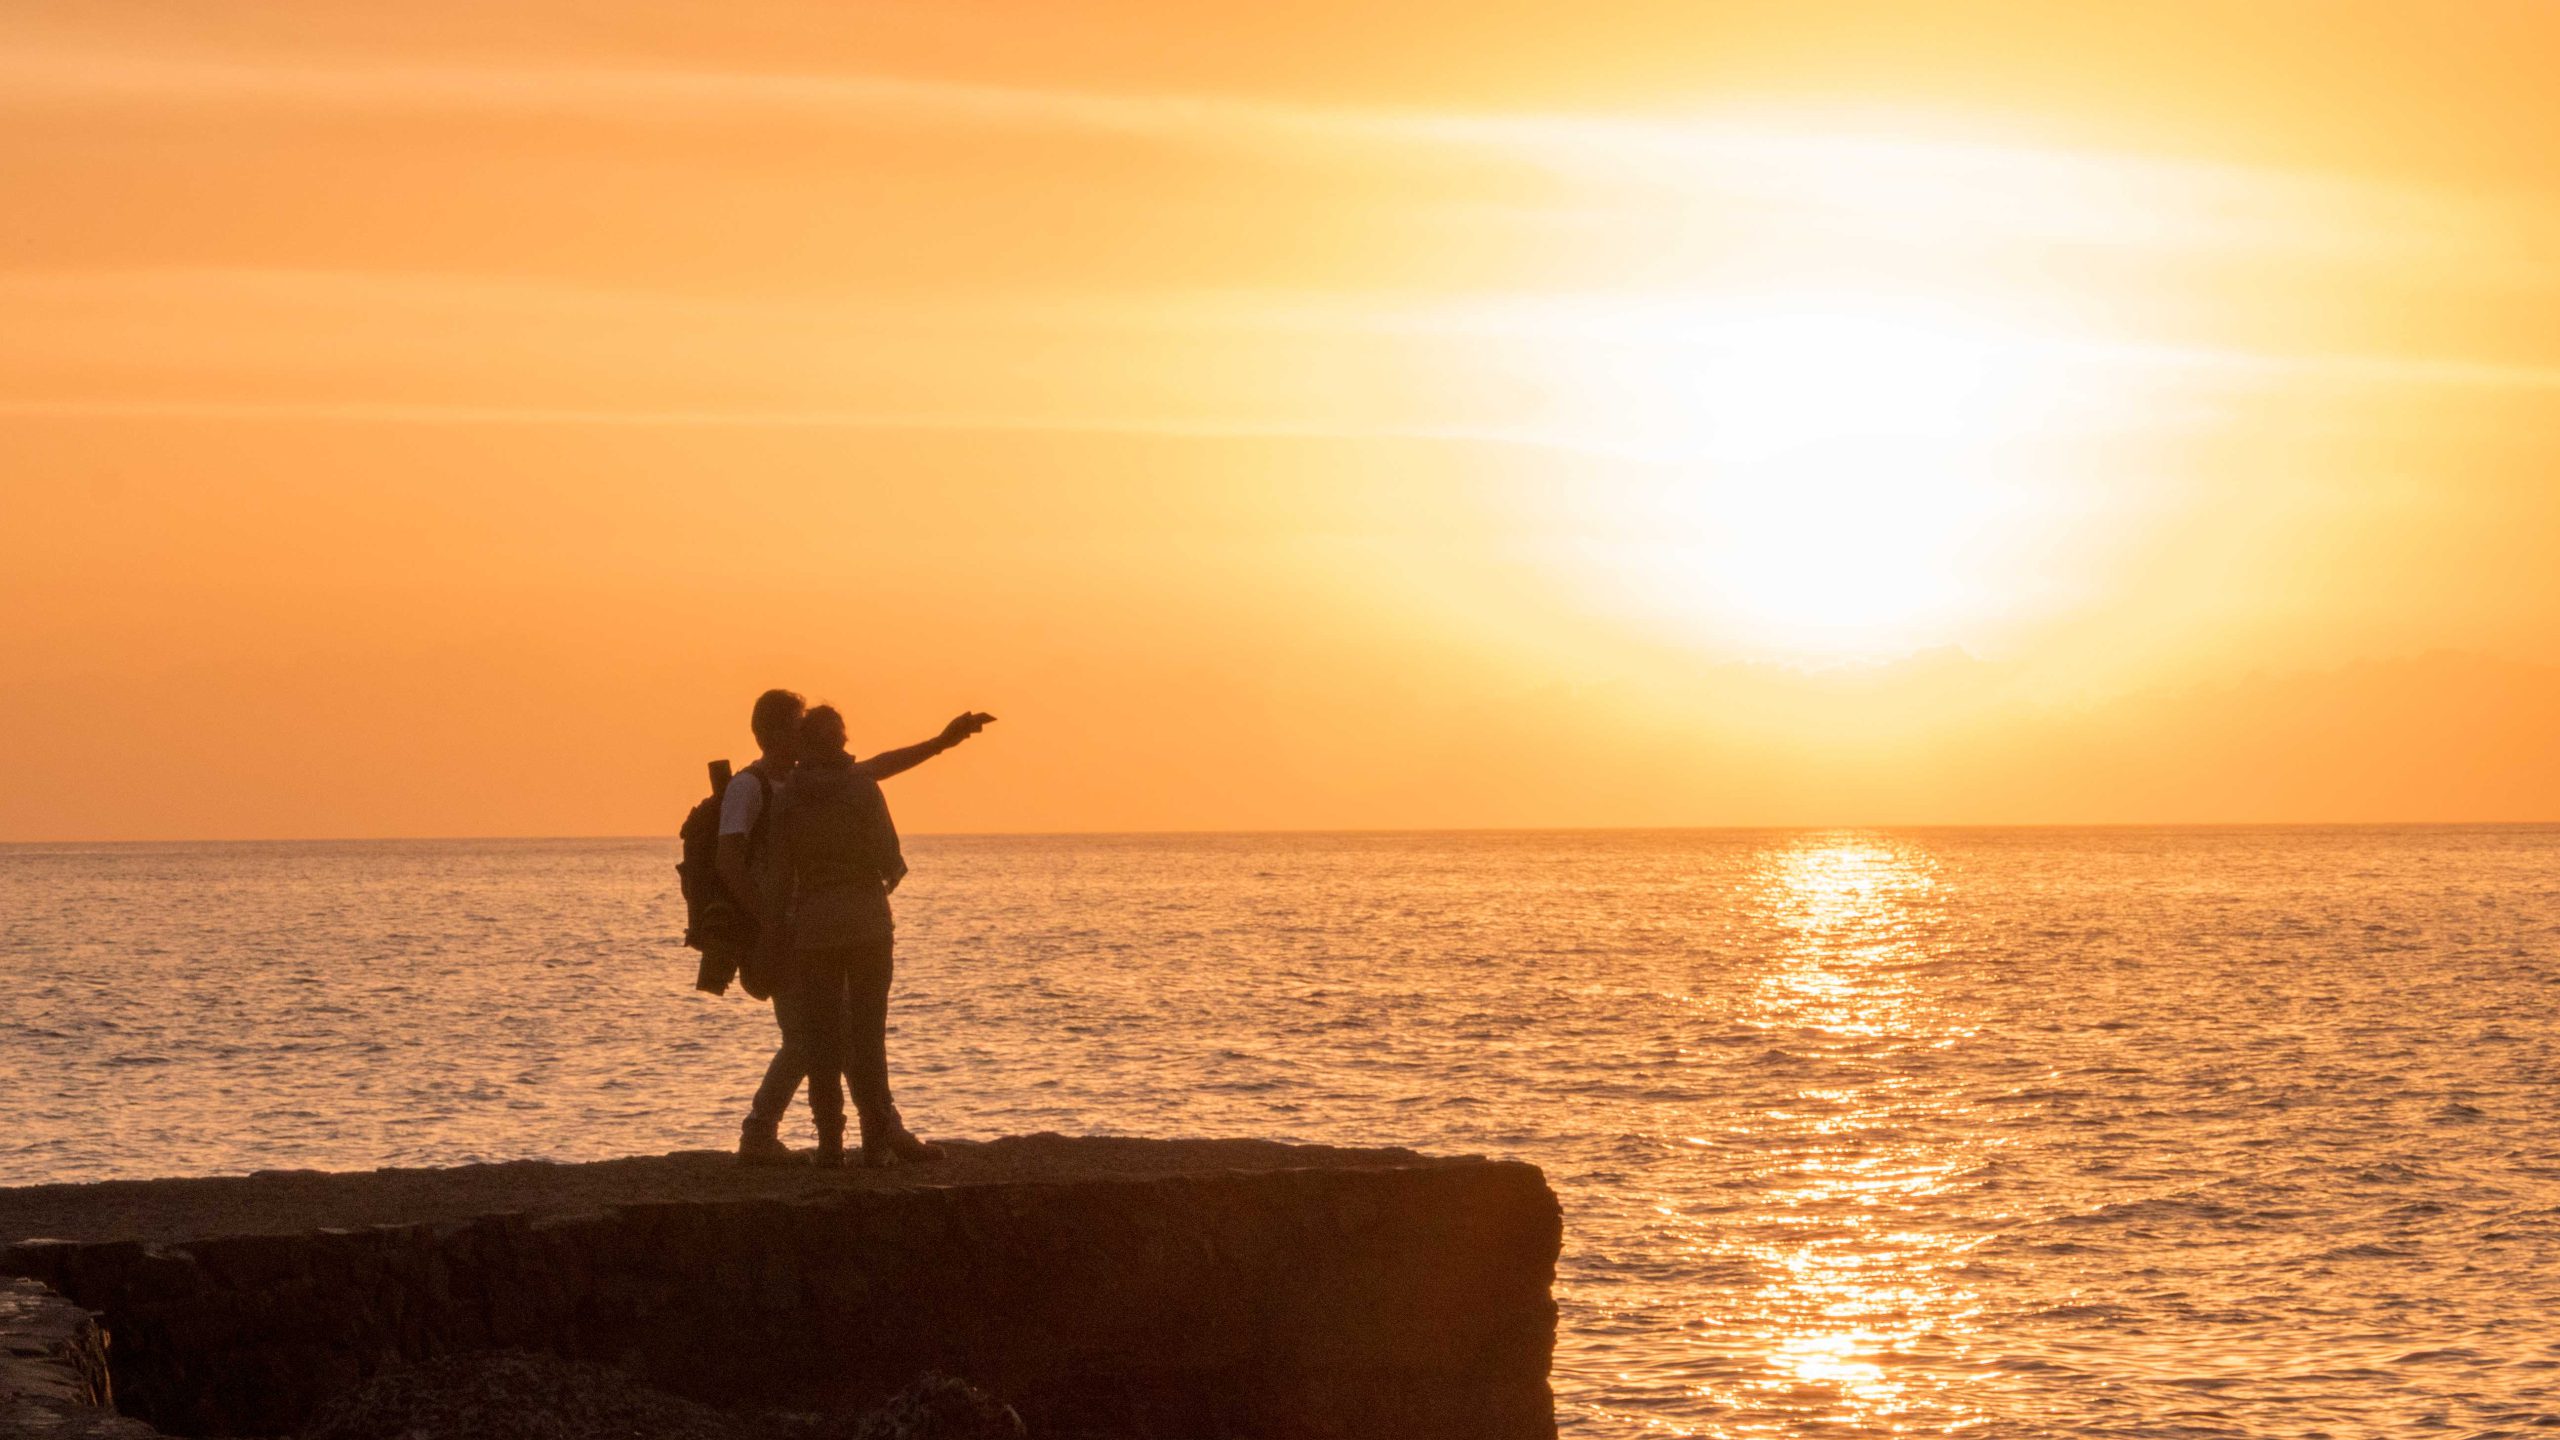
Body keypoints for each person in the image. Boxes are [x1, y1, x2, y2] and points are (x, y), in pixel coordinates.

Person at [721, 688, 991, 1162]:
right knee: (819, 1037)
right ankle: (764, 1132)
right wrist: (769, 922)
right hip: (785, 928)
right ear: (780, 733)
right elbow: (729, 859)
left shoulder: (805, 783)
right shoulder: (754, 786)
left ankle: (871, 1131)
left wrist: (941, 742)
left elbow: (880, 765)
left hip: (804, 925)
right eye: (797, 726)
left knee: (837, 1034)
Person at [760, 704, 938, 1166]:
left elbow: (780, 872)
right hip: (867, 922)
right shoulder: (861, 786)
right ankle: (876, 1144)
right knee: (868, 1035)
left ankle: (829, 1145)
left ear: (804, 744)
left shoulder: (789, 796)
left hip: (814, 928)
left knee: (821, 1039)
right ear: (840, 741)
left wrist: (775, 930)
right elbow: (886, 853)